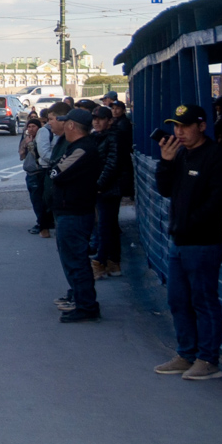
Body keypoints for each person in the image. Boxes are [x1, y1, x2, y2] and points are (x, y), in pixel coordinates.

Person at [153, 104, 222, 380]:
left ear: (202, 126)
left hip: (203, 243)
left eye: (185, 126)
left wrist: (190, 222)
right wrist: (165, 161)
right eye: (176, 126)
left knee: (203, 300)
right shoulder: (181, 155)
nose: (179, 132)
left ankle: (208, 359)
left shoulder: (215, 156)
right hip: (179, 241)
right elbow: (164, 189)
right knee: (178, 300)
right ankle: (186, 353)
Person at [48, 108, 101, 322]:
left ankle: (86, 305)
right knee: (73, 259)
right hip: (73, 210)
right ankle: (81, 300)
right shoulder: (78, 147)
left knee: (76, 260)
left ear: (71, 126)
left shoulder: (82, 149)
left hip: (75, 212)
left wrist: (55, 169)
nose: (61, 125)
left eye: (64, 121)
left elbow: (56, 173)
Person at [89, 106, 123, 278]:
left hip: (108, 189)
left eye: (101, 118)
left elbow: (112, 164)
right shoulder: (96, 137)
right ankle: (113, 262)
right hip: (103, 187)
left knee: (104, 226)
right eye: (94, 118)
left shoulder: (113, 137)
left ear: (109, 121)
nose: (96, 121)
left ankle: (100, 262)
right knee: (109, 225)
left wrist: (98, 185)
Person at [20, 114, 53, 236]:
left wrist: (32, 145)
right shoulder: (27, 138)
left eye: (34, 126)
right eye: (29, 126)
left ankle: (42, 224)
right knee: (35, 200)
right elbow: (21, 155)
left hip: (39, 172)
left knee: (39, 200)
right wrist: (26, 143)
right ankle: (43, 222)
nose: (31, 129)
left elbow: (41, 154)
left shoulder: (41, 138)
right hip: (30, 172)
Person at [108, 99, 135, 204]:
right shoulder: (116, 122)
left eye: (117, 108)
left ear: (123, 110)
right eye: (113, 108)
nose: (114, 111)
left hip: (123, 155)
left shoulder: (123, 123)